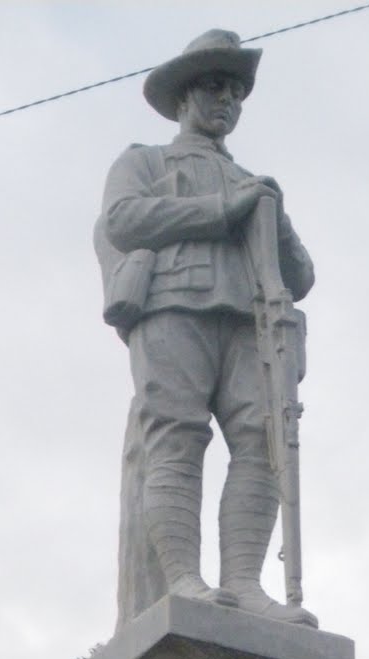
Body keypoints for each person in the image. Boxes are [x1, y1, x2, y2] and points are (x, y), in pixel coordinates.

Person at [96, 28, 317, 628]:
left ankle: (244, 581)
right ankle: (182, 579)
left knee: (263, 442)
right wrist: (222, 210)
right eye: (216, 87)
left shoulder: (251, 182)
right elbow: (122, 220)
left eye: (236, 93)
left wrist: (272, 213)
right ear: (185, 95)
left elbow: (301, 276)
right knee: (177, 436)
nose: (227, 101)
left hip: (250, 321)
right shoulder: (145, 161)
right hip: (174, 306)